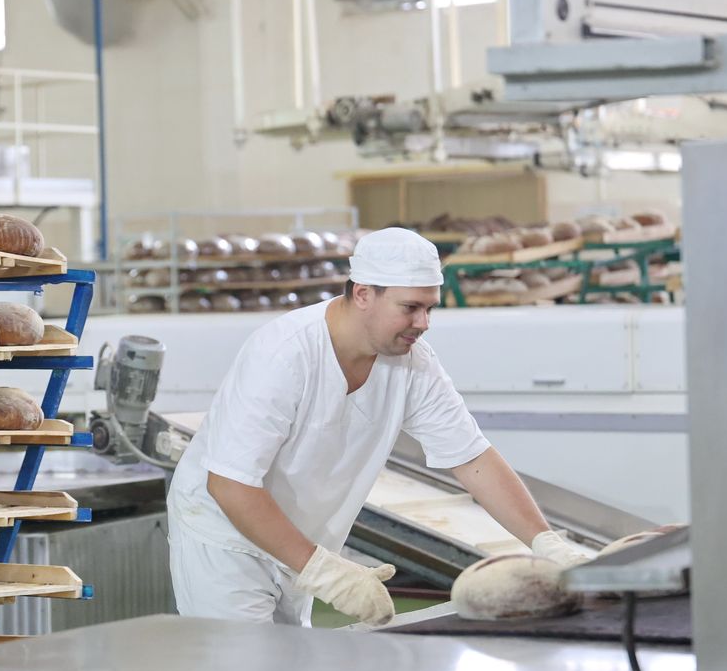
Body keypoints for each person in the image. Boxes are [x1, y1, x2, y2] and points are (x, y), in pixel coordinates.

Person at [166, 227, 588, 627]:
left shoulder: (412, 364)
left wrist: (546, 543)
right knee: (243, 670)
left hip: (299, 540)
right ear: (363, 294)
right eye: (410, 308)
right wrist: (324, 571)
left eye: (429, 308)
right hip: (227, 542)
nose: (423, 323)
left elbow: (473, 458)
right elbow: (230, 485)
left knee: (289, 665)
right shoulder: (285, 355)